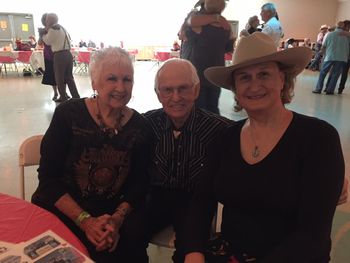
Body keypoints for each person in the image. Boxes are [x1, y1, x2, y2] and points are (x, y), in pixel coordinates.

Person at [184, 32, 345, 263]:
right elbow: (201, 201)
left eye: (264, 74)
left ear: (282, 79)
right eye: (244, 78)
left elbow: (312, 236)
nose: (254, 85)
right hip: (231, 253)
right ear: (235, 88)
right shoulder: (225, 138)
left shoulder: (318, 138)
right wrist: (193, 252)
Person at [31, 47, 152, 262]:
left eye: (127, 80)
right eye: (112, 79)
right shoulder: (68, 115)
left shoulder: (140, 127)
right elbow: (48, 180)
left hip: (109, 217)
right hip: (63, 212)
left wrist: (115, 220)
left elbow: (139, 185)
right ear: (94, 82)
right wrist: (86, 221)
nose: (120, 87)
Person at [131, 58, 233, 263]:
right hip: (155, 197)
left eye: (183, 89)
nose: (176, 97)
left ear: (196, 91)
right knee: (129, 234)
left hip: (195, 201)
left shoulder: (221, 130)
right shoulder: (145, 124)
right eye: (167, 90)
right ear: (158, 94)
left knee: (190, 249)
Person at [181, 0, 234, 114]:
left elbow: (185, 30)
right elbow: (229, 48)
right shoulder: (226, 28)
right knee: (213, 107)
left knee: (198, 110)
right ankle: (215, 130)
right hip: (215, 74)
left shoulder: (197, 25)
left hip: (198, 73)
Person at [41, 13, 80, 102]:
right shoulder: (62, 28)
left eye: (47, 19)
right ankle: (76, 96)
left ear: (50, 20)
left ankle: (63, 97)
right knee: (69, 77)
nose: (46, 21)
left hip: (59, 55)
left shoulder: (53, 29)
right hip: (68, 54)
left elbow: (47, 41)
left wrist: (42, 34)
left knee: (59, 78)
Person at [313, 21, 350, 95]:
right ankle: (330, 90)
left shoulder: (329, 34)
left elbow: (324, 46)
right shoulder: (347, 36)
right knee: (335, 74)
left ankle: (318, 89)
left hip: (330, 56)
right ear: (343, 27)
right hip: (342, 58)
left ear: (336, 26)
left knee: (323, 73)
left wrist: (322, 54)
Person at [38, 13, 58, 101]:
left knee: (60, 75)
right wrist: (41, 35)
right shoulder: (43, 30)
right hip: (48, 55)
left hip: (57, 54)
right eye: (46, 19)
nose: (48, 21)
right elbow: (39, 43)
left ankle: (63, 93)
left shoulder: (55, 28)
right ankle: (56, 93)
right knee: (52, 75)